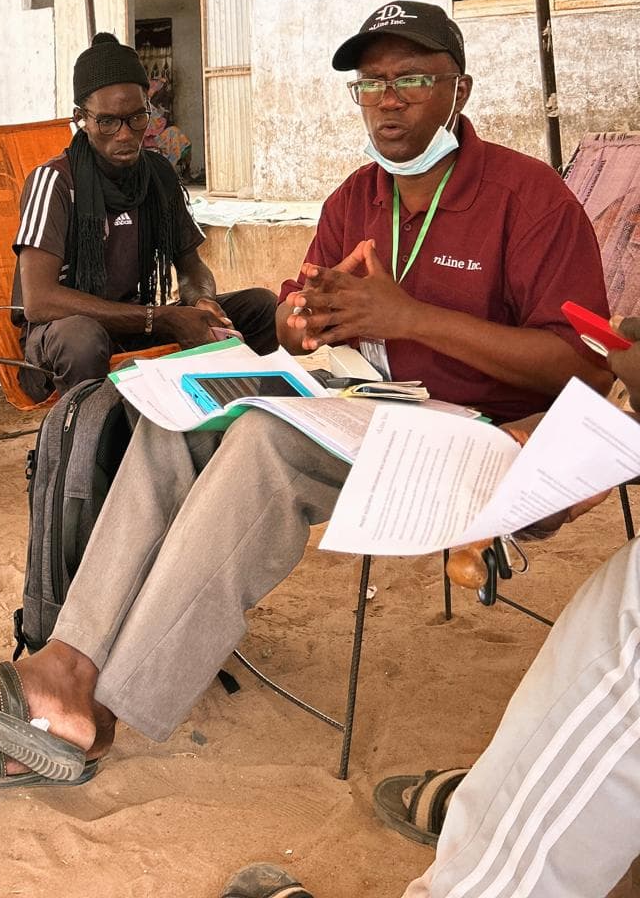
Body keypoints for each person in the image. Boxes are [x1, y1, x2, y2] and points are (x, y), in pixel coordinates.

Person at [0, 0, 612, 786]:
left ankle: (104, 704)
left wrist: (409, 316)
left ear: (460, 90)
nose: (389, 99)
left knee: (264, 442)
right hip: (376, 408)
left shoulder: (530, 198)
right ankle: (65, 666)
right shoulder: (354, 200)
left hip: (486, 436)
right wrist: (303, 325)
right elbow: (303, 319)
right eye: (370, 83)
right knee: (181, 422)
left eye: (412, 78)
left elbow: (585, 369)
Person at [222, 315, 640, 898]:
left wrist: (399, 309)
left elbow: (577, 366)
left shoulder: (541, 224)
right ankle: (513, 797)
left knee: (631, 626)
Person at [13, 30, 276, 403]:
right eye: (107, 122)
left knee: (261, 308)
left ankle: (240, 424)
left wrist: (202, 302)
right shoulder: (55, 181)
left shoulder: (157, 176)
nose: (124, 134)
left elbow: (190, 265)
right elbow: (39, 300)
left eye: (136, 118)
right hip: (60, 335)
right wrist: (159, 318)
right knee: (83, 337)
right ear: (81, 120)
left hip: (135, 322)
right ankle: (91, 448)